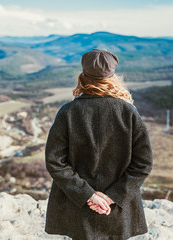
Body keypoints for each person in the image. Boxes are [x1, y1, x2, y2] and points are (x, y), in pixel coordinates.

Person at [44, 48, 153, 240]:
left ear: (83, 76)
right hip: (118, 210)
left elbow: (55, 162)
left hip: (76, 208)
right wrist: (111, 197)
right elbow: (143, 164)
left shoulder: (68, 112)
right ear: (112, 78)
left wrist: (88, 195)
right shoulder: (128, 113)